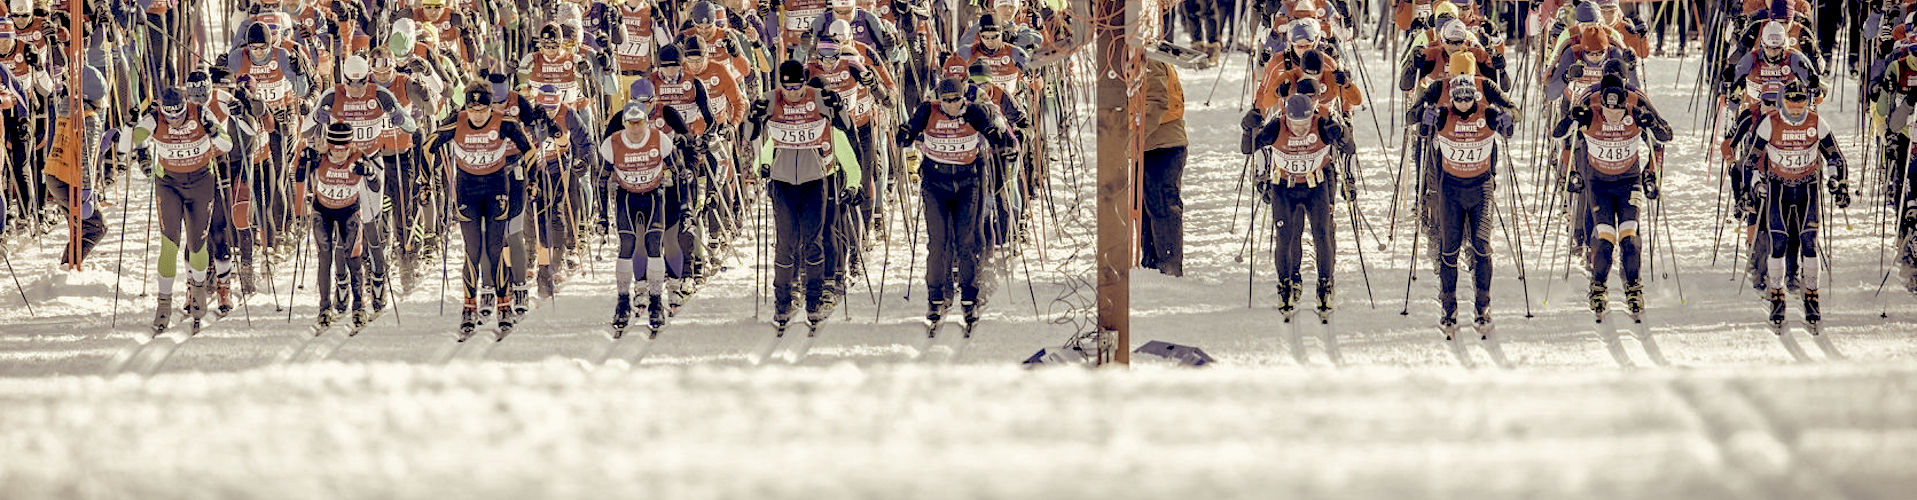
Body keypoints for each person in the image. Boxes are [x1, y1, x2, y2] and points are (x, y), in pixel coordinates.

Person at [746, 60, 863, 333]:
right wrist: (754, 116)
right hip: (783, 182)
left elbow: (845, 127)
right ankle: (782, 302)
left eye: (797, 87)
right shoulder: (771, 99)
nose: (792, 93)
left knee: (813, 242)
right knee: (786, 243)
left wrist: (838, 107)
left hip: (814, 181)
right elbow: (754, 136)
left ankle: (814, 301)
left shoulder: (817, 98)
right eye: (787, 87)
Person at [896, 78, 1015, 332]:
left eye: (956, 99)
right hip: (935, 185)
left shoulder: (974, 111)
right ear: (940, 99)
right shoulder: (928, 110)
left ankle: (970, 298)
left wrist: (997, 136)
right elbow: (912, 127)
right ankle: (936, 298)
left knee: (966, 241)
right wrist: (905, 134)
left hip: (967, 183)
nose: (951, 105)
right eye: (946, 100)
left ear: (964, 97)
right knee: (938, 243)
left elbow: (992, 128)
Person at [1553, 84, 1673, 323]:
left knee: (1629, 236)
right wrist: (1570, 120)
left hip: (1629, 184)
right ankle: (1598, 287)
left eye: (1619, 111)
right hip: (1600, 186)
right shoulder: (1591, 111)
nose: (1614, 116)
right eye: (1608, 110)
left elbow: (1664, 138)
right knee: (1606, 238)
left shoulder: (1636, 111)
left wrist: (1651, 172)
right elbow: (1560, 137)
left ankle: (1633, 287)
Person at [425, 84, 533, 338]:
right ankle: (468, 308)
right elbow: (429, 146)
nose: (477, 115)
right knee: (472, 250)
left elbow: (529, 149)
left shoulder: (504, 122)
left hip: (496, 187)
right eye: (473, 109)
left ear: (490, 107)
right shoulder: (457, 121)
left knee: (495, 248)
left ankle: (504, 306)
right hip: (467, 191)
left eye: (482, 109)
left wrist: (534, 180)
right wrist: (423, 181)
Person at [1740, 80, 1848, 329]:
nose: (1797, 109)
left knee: (1809, 242)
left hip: (1807, 188)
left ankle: (1812, 296)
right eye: (1791, 104)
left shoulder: (1816, 122)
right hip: (1778, 189)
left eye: (1801, 104)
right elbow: (1749, 161)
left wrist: (1837, 182)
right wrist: (1754, 186)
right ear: (1783, 103)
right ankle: (1777, 297)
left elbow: (1836, 156)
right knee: (1778, 242)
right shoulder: (1771, 123)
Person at [1414, 74, 1516, 338]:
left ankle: (1483, 306)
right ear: (1451, 98)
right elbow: (1420, 129)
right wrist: (1424, 121)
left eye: (1467, 97)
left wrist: (1509, 121)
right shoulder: (1443, 115)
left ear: (1475, 97)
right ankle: (1449, 308)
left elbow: (1510, 126)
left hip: (1481, 187)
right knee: (1449, 250)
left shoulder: (1488, 114)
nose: (1462, 102)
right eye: (1457, 98)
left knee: (1481, 247)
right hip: (1451, 189)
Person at [128, 89, 234, 333]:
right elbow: (129, 143)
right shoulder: (155, 118)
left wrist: (213, 130)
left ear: (186, 107)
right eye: (170, 117)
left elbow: (226, 145)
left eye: (179, 116)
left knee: (198, 244)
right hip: (169, 184)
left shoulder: (201, 112)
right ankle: (163, 305)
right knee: (169, 244)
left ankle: (198, 295)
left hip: (200, 182)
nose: (174, 121)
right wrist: (129, 126)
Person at [1249, 94, 1356, 321]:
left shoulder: (1321, 125)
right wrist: (1247, 129)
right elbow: (1249, 147)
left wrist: (1342, 133)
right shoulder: (1277, 126)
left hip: (1315, 187)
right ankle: (1286, 285)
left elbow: (1349, 147)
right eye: (1295, 125)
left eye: (1305, 125)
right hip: (1284, 188)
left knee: (1322, 234)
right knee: (1285, 237)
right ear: (1287, 118)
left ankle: (1325, 286)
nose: (1300, 130)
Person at [600, 90, 684, 336]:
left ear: (646, 122)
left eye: (639, 123)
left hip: (653, 195)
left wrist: (686, 205)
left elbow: (680, 173)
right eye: (630, 123)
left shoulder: (659, 139)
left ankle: (657, 302)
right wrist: (602, 216)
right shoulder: (613, 142)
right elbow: (601, 180)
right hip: (627, 197)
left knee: (653, 246)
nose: (635, 129)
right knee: (626, 245)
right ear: (624, 123)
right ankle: (623, 301)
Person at [297, 123, 383, 329]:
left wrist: (369, 172)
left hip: (349, 212)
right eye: (335, 147)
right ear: (329, 145)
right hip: (322, 212)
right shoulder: (320, 158)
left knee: (353, 259)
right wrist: (303, 161)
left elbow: (376, 186)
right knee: (325, 258)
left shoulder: (359, 157)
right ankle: (325, 308)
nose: (340, 152)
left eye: (344, 147)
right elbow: (300, 178)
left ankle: (359, 308)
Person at [1139, 58, 1187, 277]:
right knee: (1148, 207)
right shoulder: (1143, 59)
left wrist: (1133, 139)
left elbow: (1157, 103)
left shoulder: (1150, 62)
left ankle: (1168, 266)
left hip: (1162, 144)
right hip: (1153, 144)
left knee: (1163, 206)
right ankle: (1151, 263)